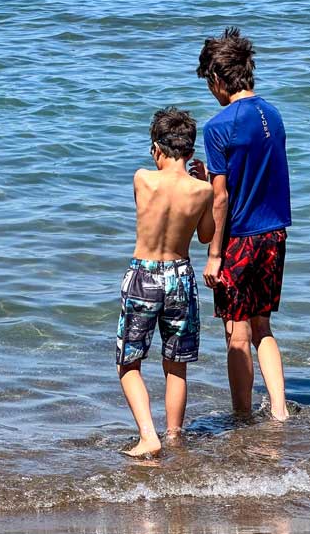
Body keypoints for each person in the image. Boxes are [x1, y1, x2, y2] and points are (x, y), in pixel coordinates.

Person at [197, 28, 292, 423]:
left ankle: (243, 418)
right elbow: (255, 172)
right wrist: (213, 174)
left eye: (209, 84)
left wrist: (215, 255)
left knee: (236, 334)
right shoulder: (273, 113)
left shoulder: (218, 126)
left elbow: (221, 198)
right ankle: (281, 410)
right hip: (275, 232)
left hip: (239, 239)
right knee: (262, 326)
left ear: (218, 78)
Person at [116, 107, 215, 457]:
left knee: (128, 362)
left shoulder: (142, 178)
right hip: (180, 276)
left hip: (144, 274)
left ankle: (148, 436)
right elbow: (205, 236)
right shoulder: (203, 191)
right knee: (176, 365)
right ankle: (174, 436)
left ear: (157, 148)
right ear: (190, 151)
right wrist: (203, 180)